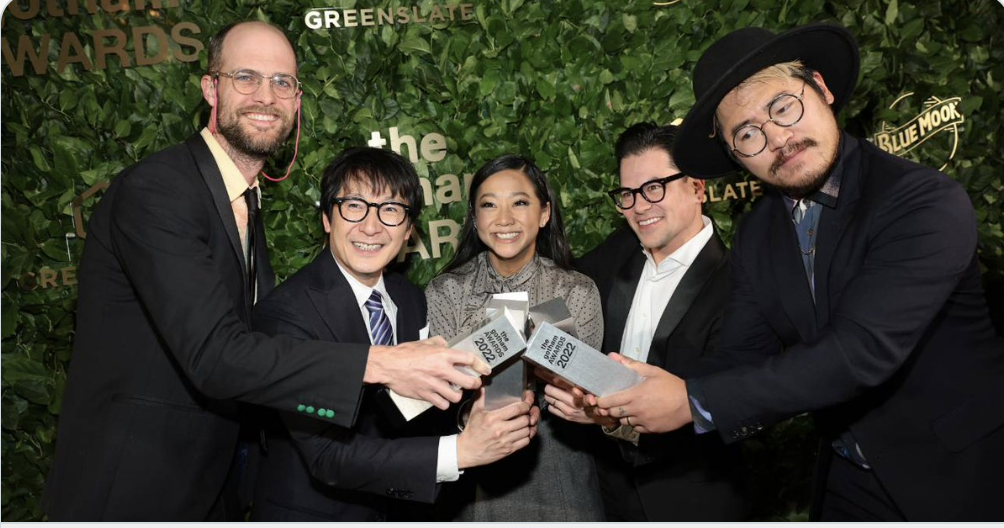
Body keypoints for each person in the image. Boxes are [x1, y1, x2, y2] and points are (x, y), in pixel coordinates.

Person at [43, 21, 488, 521]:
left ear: (296, 101)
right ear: (211, 88)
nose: (265, 96)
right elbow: (216, 355)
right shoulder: (160, 191)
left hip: (212, 486)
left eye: (281, 82)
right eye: (246, 77)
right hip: (134, 486)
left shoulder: (243, 202)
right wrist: (385, 364)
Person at [594, 23, 1004, 520]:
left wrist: (692, 400)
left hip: (962, 475)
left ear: (822, 89)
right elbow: (741, 354)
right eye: (747, 134)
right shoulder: (758, 232)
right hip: (847, 480)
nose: (778, 139)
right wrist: (637, 392)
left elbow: (859, 351)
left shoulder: (922, 202)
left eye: (783, 106)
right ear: (733, 154)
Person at [249, 147, 540, 521]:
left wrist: (471, 418)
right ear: (326, 218)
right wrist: (461, 451)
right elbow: (327, 456)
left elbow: (410, 411)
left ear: (408, 230)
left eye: (390, 210)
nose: (371, 227)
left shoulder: (410, 298)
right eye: (355, 206)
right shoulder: (285, 313)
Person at [551, 123, 745, 521]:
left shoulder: (738, 286)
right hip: (610, 500)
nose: (640, 206)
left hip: (695, 503)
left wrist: (607, 419)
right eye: (628, 194)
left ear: (697, 188)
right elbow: (556, 286)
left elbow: (725, 412)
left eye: (655, 188)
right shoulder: (617, 252)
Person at [425, 154, 605, 521]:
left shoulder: (576, 291)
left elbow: (587, 395)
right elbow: (437, 399)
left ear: (544, 213)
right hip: (474, 486)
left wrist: (552, 370)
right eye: (489, 205)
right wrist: (468, 413)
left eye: (520, 203)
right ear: (474, 218)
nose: (504, 219)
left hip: (561, 482)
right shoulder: (446, 292)